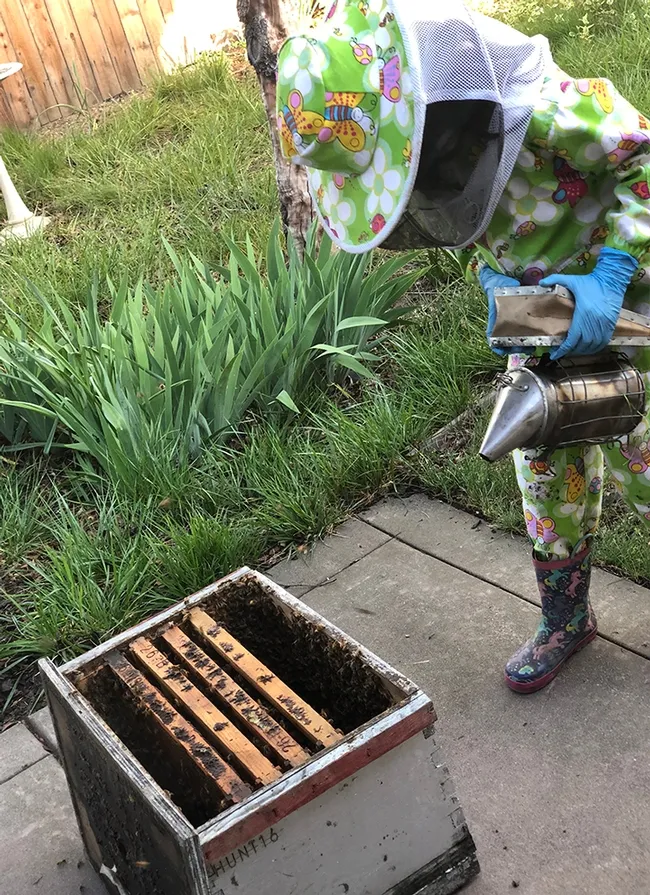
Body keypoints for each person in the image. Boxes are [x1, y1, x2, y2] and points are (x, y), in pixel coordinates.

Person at [275, 0, 650, 693]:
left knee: (644, 458)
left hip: (628, 311)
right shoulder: (433, 146)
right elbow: (470, 224)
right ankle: (566, 618)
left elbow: (643, 155)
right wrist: (494, 278)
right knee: (545, 471)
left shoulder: (546, 109)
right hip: (539, 325)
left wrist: (614, 271)